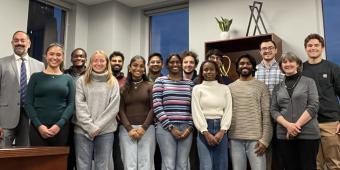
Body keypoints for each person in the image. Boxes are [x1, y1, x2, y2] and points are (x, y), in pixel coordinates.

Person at [271, 52, 320, 170]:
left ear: (298, 64)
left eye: (291, 61)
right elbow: (273, 110)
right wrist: (288, 126)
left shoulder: (309, 82)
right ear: (281, 66)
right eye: (285, 62)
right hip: (284, 135)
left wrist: (295, 126)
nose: (288, 64)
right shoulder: (277, 87)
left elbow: (313, 105)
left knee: (308, 167)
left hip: (308, 134)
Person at [73, 50, 120, 170]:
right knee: (82, 165)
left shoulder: (113, 82)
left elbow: (113, 108)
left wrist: (97, 127)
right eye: (95, 60)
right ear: (90, 62)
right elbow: (80, 105)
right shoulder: (82, 80)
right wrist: (90, 127)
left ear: (106, 62)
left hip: (105, 131)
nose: (98, 63)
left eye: (101, 60)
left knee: (102, 166)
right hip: (82, 130)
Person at [301, 33, 340, 170]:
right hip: (309, 124)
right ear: (305, 48)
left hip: (331, 123)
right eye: (310, 45)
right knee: (316, 164)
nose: (313, 48)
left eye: (316, 45)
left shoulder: (333, 68)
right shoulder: (300, 70)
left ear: (322, 48)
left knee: (334, 164)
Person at [24, 43, 75, 146]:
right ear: (46, 56)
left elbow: (71, 105)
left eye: (58, 54)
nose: (54, 57)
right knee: (37, 161)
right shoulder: (35, 77)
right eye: (51, 54)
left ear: (62, 57)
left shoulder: (68, 78)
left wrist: (59, 125)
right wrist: (39, 126)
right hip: (37, 128)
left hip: (61, 129)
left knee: (58, 161)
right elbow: (28, 103)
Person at [0, 31, 44, 147]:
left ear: (29, 43)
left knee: (24, 157)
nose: (19, 43)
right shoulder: (2, 63)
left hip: (30, 118)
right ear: (12, 43)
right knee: (3, 156)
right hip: (5, 119)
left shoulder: (40, 66)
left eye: (22, 40)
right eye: (16, 40)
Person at [228, 54, 272, 170]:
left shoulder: (261, 86)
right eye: (242, 64)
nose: (245, 66)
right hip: (234, 139)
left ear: (253, 67)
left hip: (256, 139)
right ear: (237, 67)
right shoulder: (229, 88)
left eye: (248, 63)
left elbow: (267, 114)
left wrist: (265, 140)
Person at [153, 54, 194, 170]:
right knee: (168, 164)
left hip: (186, 128)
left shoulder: (189, 83)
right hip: (165, 129)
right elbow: (157, 106)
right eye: (172, 62)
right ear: (167, 65)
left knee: (183, 164)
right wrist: (170, 127)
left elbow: (194, 108)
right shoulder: (160, 81)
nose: (175, 64)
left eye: (177, 62)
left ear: (181, 64)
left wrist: (190, 127)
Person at [192, 60, 232, 170]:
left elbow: (228, 110)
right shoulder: (197, 89)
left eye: (212, 69)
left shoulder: (225, 88)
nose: (208, 72)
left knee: (221, 165)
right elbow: (196, 111)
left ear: (216, 71)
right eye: (205, 69)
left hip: (221, 128)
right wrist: (205, 132)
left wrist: (222, 130)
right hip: (203, 129)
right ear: (201, 72)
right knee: (206, 166)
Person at [119, 56, 155, 170]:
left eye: (141, 66)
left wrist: (143, 127)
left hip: (147, 129)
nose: (138, 68)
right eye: (135, 65)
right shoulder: (123, 88)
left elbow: (153, 108)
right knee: (129, 164)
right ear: (129, 68)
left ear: (144, 69)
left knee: (146, 164)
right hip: (126, 130)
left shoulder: (150, 86)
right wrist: (129, 128)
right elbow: (121, 110)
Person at [255, 39, 284, 170]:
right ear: (260, 52)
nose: (267, 51)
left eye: (270, 48)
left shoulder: (283, 68)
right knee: (263, 151)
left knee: (282, 153)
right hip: (260, 118)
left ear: (276, 50)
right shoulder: (254, 70)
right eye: (264, 48)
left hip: (279, 117)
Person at [64, 48, 87, 170]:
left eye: (82, 56)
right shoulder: (64, 74)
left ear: (86, 59)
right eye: (76, 56)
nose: (79, 58)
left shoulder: (91, 74)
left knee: (82, 155)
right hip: (67, 119)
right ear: (71, 59)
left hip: (84, 121)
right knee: (68, 152)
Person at [109, 50, 125, 170]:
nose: (117, 63)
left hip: (120, 123)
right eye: (114, 60)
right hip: (104, 123)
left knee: (118, 155)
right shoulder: (104, 78)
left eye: (119, 61)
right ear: (109, 62)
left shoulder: (126, 81)